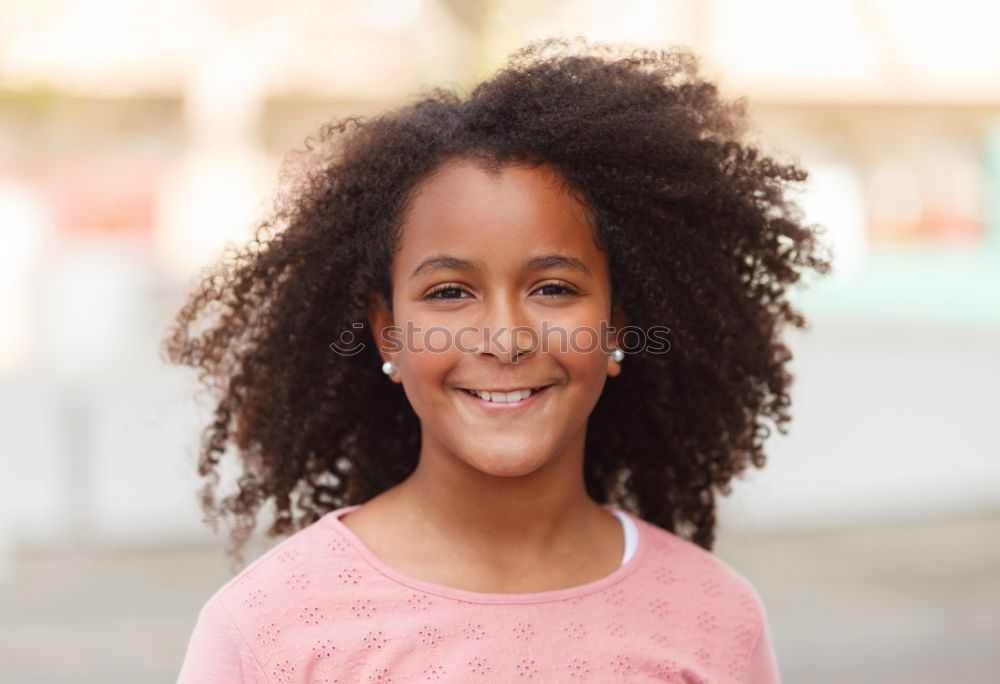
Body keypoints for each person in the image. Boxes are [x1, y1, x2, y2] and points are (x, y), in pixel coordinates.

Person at [167, 36, 830, 683]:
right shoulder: (268, 631)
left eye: (553, 289)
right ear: (388, 332)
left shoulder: (714, 618)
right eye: (450, 292)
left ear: (616, 324)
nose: (506, 338)